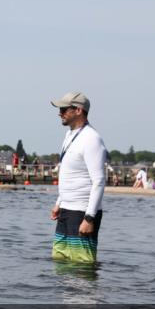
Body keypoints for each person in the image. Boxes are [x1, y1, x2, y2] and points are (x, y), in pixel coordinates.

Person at [49, 91, 107, 263]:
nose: (60, 113)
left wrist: (89, 218)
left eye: (64, 109)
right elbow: (71, 173)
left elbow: (99, 181)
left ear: (78, 110)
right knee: (59, 261)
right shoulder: (69, 135)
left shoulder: (92, 139)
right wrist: (59, 202)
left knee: (81, 266)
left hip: (82, 212)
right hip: (66, 209)